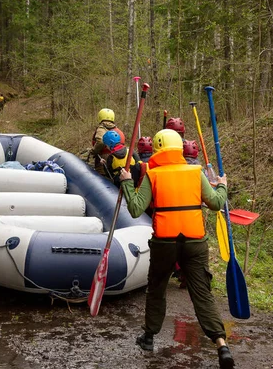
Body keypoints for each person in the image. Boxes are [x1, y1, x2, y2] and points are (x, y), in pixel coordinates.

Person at [118, 129, 234, 368]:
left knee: (157, 288)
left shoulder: (154, 173)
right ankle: (221, 344)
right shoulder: (196, 172)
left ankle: (149, 338)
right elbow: (215, 203)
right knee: (202, 293)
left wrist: (127, 183)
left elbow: (136, 209)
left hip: (164, 243)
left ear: (158, 150)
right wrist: (222, 186)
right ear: (179, 148)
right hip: (195, 243)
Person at [91, 108, 125, 176]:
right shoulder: (118, 130)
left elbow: (100, 142)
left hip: (103, 158)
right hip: (119, 159)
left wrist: (93, 151)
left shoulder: (101, 128)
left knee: (102, 178)